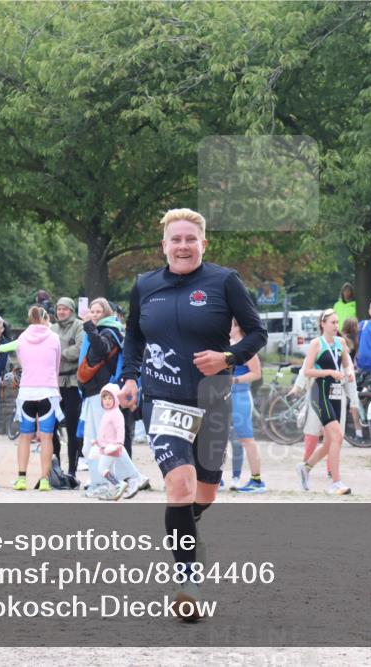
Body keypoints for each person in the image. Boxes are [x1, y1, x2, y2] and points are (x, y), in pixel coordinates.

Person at [119, 208, 266, 621]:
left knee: (204, 493)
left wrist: (228, 357)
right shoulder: (145, 285)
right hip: (163, 399)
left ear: (204, 243)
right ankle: (187, 581)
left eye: (190, 239)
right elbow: (133, 335)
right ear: (163, 245)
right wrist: (130, 378)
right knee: (179, 485)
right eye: (175, 239)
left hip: (213, 398)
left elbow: (257, 332)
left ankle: (184, 528)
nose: (183, 246)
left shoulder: (224, 281)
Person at [81, 297, 147, 500]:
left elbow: (101, 350)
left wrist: (89, 328)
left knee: (104, 442)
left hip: (104, 393)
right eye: (91, 311)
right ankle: (105, 482)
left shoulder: (108, 332)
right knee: (94, 443)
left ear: (107, 313)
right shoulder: (102, 331)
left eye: (98, 311)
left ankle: (128, 477)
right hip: (95, 393)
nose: (94, 315)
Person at [295, 309, 355, 496]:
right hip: (319, 393)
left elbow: (346, 364)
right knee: (337, 436)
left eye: (338, 322)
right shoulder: (316, 343)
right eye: (332, 322)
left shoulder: (341, 343)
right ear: (323, 324)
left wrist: (350, 373)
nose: (336, 326)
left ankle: (305, 468)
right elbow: (308, 371)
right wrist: (329, 373)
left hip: (336, 393)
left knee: (330, 441)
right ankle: (336, 482)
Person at [12, 306, 62, 492]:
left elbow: (21, 362)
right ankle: (44, 480)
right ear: (45, 318)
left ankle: (22, 478)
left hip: (27, 391)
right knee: (46, 437)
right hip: (48, 390)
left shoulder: (22, 338)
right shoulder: (54, 337)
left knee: (25, 437)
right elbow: (57, 364)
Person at [227, 319, 266, 493]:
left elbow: (256, 373)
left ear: (236, 327)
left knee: (246, 438)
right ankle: (216, 478)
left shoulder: (246, 346)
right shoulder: (226, 344)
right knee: (217, 436)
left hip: (241, 395)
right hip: (224, 396)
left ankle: (256, 480)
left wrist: (234, 380)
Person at [52, 297, 85, 475]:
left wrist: (58, 354)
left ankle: (72, 469)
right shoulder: (53, 328)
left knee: (72, 428)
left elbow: (79, 349)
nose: (61, 312)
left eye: (65, 309)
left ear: (71, 310)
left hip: (72, 383)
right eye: (59, 309)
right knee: (51, 427)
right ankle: (55, 467)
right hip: (55, 384)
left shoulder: (79, 326)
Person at [90, 383, 129, 500]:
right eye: (104, 398)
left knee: (101, 469)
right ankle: (113, 491)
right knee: (110, 470)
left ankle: (118, 484)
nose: (107, 401)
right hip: (105, 447)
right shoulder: (107, 413)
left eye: (110, 398)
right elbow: (105, 432)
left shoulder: (116, 413)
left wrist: (119, 443)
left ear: (116, 399)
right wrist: (98, 442)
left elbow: (120, 429)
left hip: (112, 447)